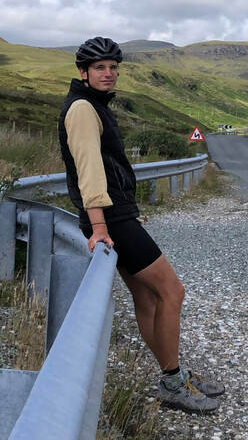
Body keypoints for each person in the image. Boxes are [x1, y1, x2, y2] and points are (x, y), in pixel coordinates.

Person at [58, 36, 224, 414]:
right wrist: (100, 225)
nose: (109, 74)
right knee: (173, 292)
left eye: (114, 68)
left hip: (118, 215)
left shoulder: (94, 105)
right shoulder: (83, 108)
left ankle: (175, 374)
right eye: (100, 68)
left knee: (147, 297)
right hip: (111, 218)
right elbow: (89, 169)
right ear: (83, 72)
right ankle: (171, 381)